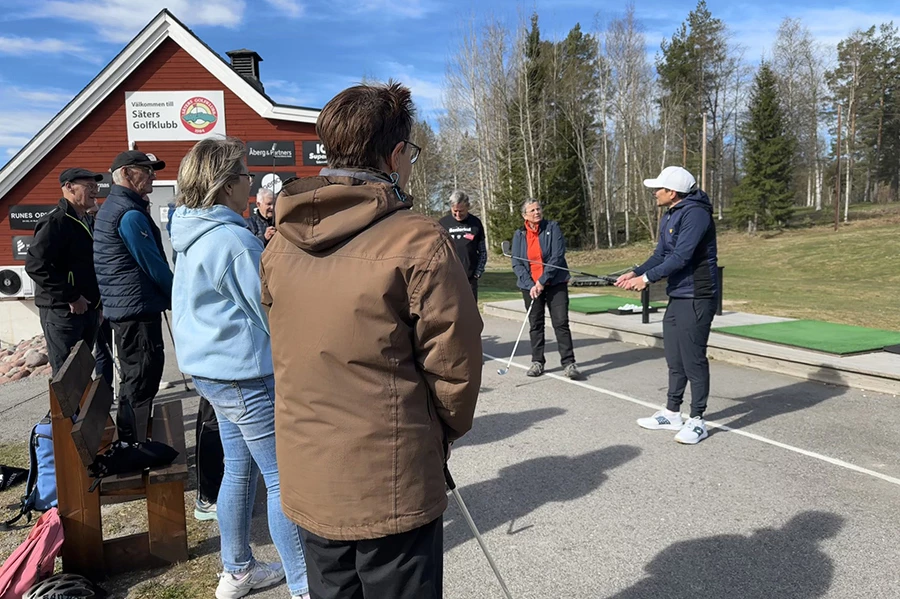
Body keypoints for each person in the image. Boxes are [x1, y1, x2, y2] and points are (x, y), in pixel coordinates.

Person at [261, 82, 483, 599]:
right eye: (410, 155)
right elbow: (455, 368)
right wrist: (441, 433)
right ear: (396, 154)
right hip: (390, 475)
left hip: (311, 470)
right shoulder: (419, 240)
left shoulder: (278, 246)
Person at [170, 137, 309, 599]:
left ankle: (238, 569)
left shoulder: (191, 231)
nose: (251, 183)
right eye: (246, 175)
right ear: (228, 184)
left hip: (214, 374)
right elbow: (272, 314)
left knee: (239, 469)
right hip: (245, 376)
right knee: (284, 479)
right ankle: (305, 586)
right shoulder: (232, 240)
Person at [616, 166, 719, 445]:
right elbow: (661, 254)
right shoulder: (671, 214)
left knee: (693, 359)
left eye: (658, 189)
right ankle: (672, 413)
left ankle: (697, 420)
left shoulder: (696, 214)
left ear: (672, 192)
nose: (654, 193)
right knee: (674, 358)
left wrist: (646, 280)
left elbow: (682, 256)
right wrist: (635, 272)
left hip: (697, 295)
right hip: (678, 295)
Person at [93, 151, 172, 445]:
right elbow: (154, 265)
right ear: (126, 173)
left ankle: (132, 443)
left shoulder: (117, 207)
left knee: (135, 380)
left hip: (128, 309)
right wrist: (179, 296)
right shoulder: (128, 213)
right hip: (136, 312)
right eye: (146, 170)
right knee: (141, 381)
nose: (153, 175)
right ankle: (134, 447)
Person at [25, 168, 104, 375]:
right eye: (89, 186)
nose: (95, 191)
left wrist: (98, 305)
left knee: (83, 371)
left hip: (88, 310)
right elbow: (35, 265)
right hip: (63, 312)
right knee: (67, 375)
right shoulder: (55, 221)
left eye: (96, 186)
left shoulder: (86, 219)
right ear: (69, 187)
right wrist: (71, 296)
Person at [510, 199, 580, 379]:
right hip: (530, 287)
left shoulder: (552, 227)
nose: (537, 212)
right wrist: (530, 285)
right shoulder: (519, 234)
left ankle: (569, 363)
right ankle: (537, 361)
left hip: (555, 283)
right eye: (532, 210)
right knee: (536, 324)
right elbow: (517, 262)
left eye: (538, 209)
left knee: (561, 322)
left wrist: (542, 281)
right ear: (525, 215)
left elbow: (557, 256)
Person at [438, 190, 487, 300]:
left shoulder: (476, 223)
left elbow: (483, 251)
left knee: (469, 309)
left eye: (461, 211)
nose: (458, 214)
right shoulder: (442, 223)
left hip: (469, 279)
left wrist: (478, 273)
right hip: (448, 278)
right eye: (455, 211)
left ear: (467, 207)